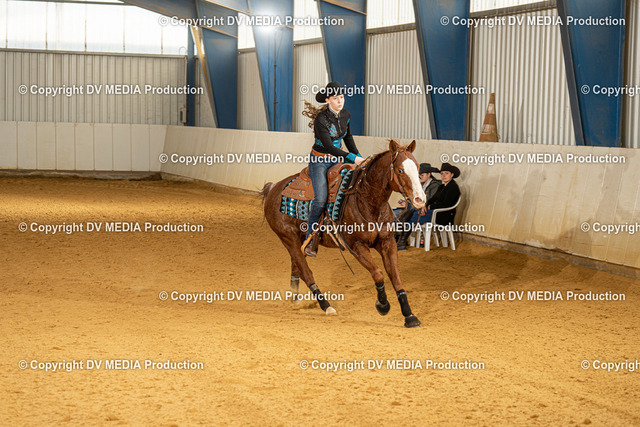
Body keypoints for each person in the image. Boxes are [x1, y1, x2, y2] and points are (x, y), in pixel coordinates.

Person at [302, 82, 364, 257]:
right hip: (320, 161)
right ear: (328, 100)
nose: (340, 101)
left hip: (338, 160)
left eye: (342, 97)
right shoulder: (321, 120)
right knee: (320, 199)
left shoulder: (346, 115)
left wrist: (360, 157)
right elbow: (329, 147)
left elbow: (348, 138)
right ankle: (310, 238)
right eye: (335, 98)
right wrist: (353, 159)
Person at [397, 162, 461, 250]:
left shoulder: (453, 187)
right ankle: (400, 240)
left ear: (452, 175)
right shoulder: (442, 187)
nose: (443, 176)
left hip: (444, 215)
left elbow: (446, 204)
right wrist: (425, 205)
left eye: (446, 173)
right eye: (442, 174)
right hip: (436, 212)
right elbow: (432, 199)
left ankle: (401, 240)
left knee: (415, 215)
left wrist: (430, 207)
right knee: (414, 212)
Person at [396, 163, 441, 250]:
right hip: (419, 208)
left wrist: (416, 204)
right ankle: (400, 240)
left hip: (428, 210)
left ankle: (400, 239)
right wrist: (407, 202)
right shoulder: (422, 185)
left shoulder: (435, 185)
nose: (420, 176)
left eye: (422, 175)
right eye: (419, 175)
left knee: (408, 214)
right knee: (406, 210)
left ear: (429, 174)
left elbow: (430, 199)